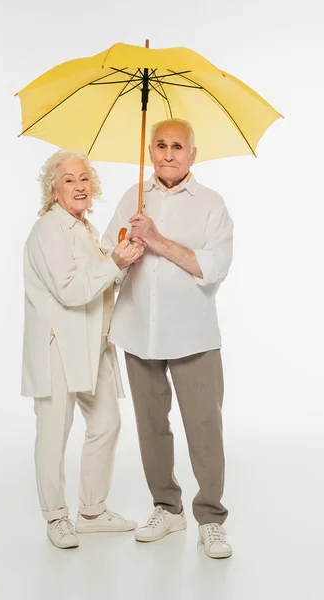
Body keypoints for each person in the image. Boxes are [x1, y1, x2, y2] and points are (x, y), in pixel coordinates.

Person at [102, 118, 234, 559]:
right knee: (151, 426)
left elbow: (212, 267)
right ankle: (166, 507)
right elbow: (107, 254)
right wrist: (125, 248)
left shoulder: (212, 204)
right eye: (160, 145)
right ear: (150, 151)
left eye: (178, 146)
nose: (168, 154)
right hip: (139, 331)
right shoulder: (132, 198)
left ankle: (211, 519)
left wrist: (157, 240)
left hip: (193, 334)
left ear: (193, 154)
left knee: (204, 427)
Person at [22, 150, 143, 549]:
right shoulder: (47, 231)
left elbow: (101, 286)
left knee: (107, 423)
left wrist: (122, 260)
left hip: (95, 343)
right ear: (53, 190)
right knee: (54, 433)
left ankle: (91, 511)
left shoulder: (87, 230)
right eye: (69, 180)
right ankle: (56, 517)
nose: (79, 186)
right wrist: (113, 264)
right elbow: (71, 290)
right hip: (59, 343)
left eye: (84, 179)